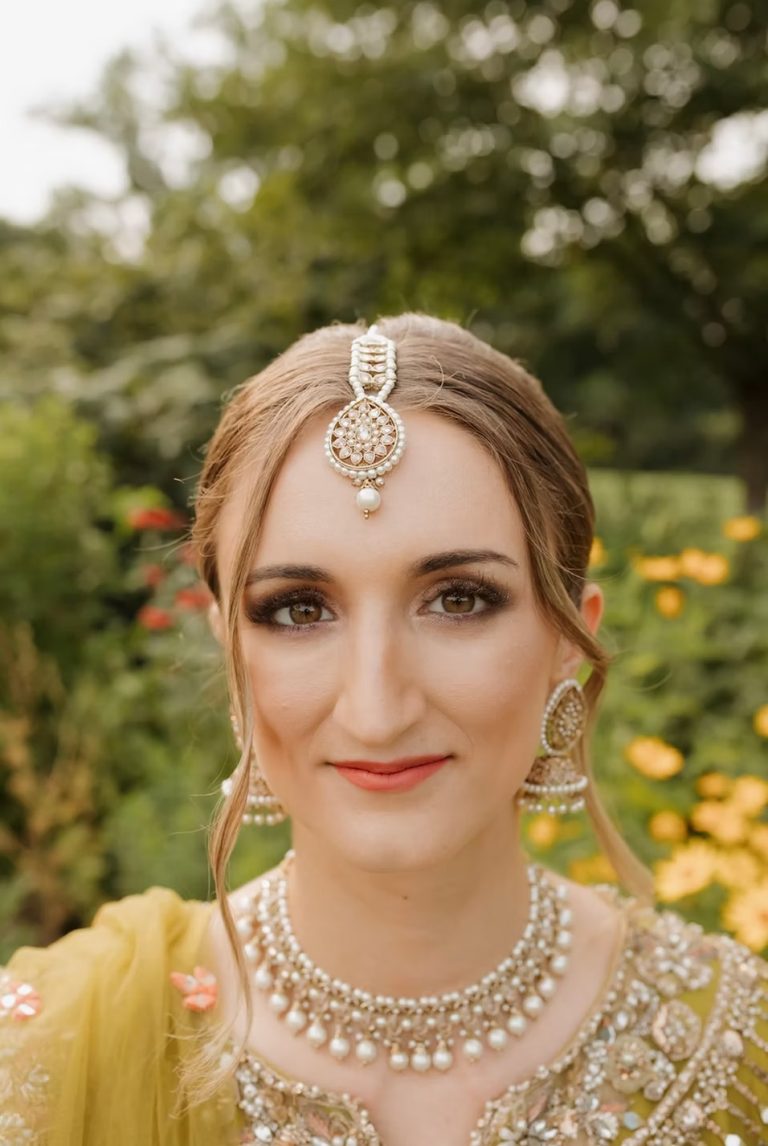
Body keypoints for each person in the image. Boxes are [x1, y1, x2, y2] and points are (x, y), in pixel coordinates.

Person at [1, 315, 766, 1146]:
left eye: (458, 600)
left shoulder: (733, 1046)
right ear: (229, 644)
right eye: (298, 610)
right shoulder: (55, 1046)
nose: (376, 708)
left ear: (564, 638)